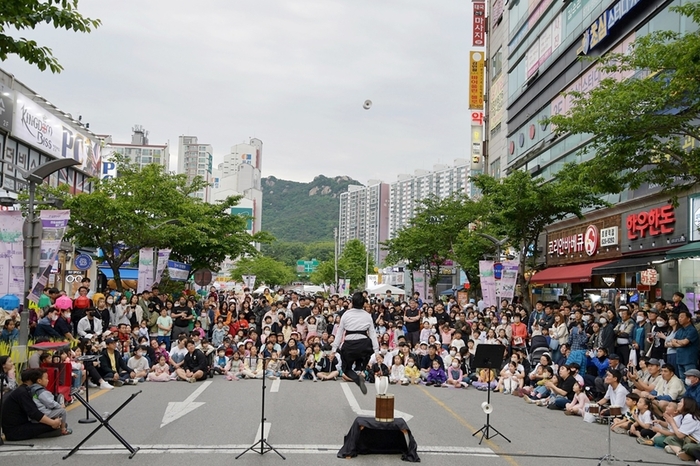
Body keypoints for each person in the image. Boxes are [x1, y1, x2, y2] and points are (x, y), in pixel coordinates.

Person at [331, 292, 379, 395]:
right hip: (364, 344)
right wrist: (376, 351)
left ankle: (357, 379)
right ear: (363, 304)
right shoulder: (367, 316)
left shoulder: (346, 314)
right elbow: (373, 334)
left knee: (346, 368)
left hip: (349, 345)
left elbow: (339, 333)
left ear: (352, 302)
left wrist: (333, 350)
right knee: (364, 356)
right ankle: (360, 368)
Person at [1, 368, 64, 440]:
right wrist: (52, 423)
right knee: (55, 426)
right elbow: (34, 413)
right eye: (45, 378)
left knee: (58, 423)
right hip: (15, 431)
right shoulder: (22, 392)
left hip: (21, 424)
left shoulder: (25, 390)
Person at [29, 368, 71, 435]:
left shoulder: (32, 389)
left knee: (56, 411)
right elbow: (50, 403)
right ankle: (63, 429)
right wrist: (60, 406)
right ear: (39, 381)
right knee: (62, 412)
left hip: (38, 413)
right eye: (46, 379)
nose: (48, 380)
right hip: (43, 412)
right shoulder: (40, 391)